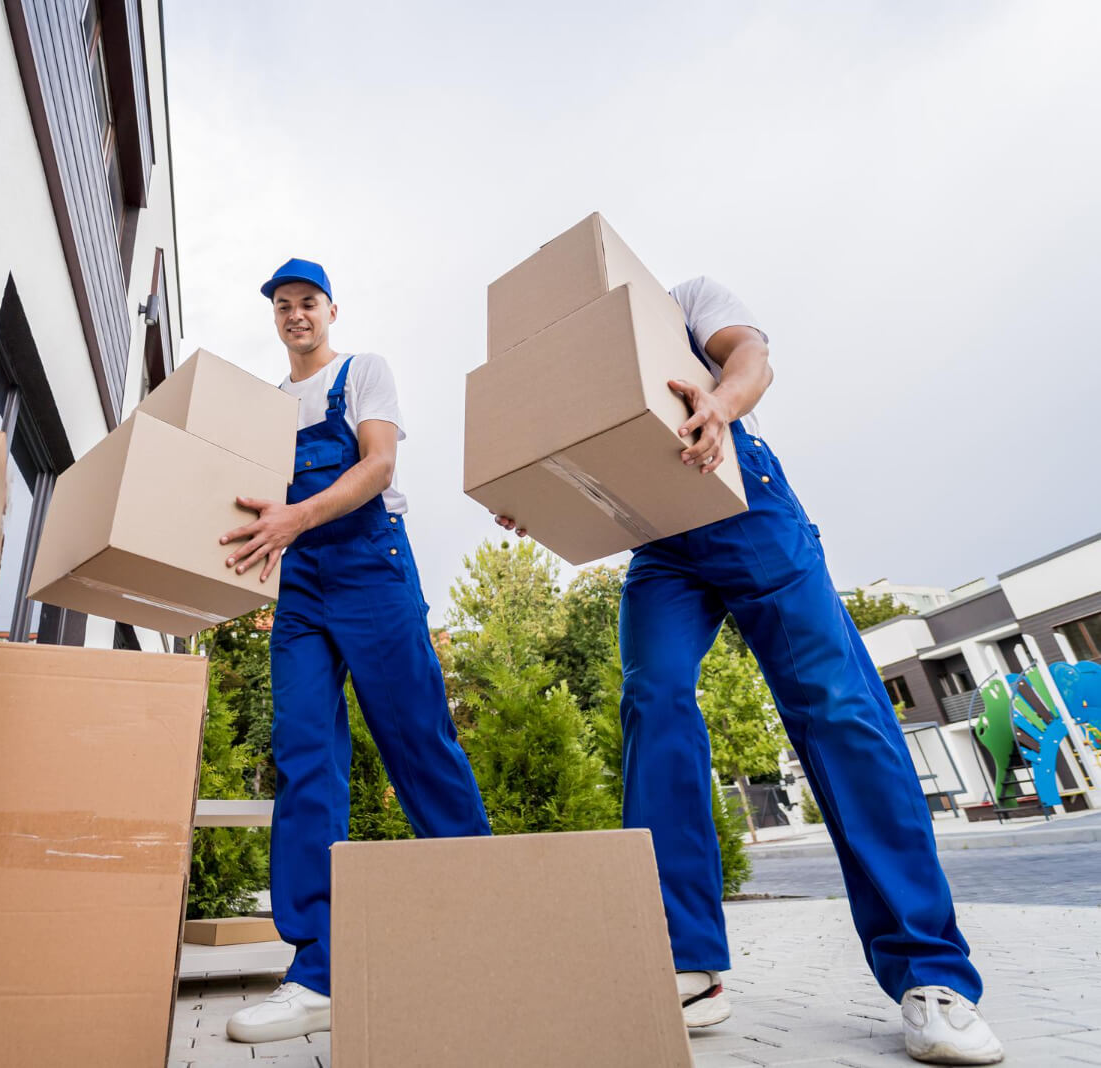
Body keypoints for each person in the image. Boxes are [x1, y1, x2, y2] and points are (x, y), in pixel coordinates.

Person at [496, 276, 1003, 1066]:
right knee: (652, 697)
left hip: (741, 497)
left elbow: (752, 357)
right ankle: (687, 963)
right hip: (662, 541)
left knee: (837, 711)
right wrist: (543, 495)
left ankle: (932, 977)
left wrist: (721, 406)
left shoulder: (684, 298)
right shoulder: (568, 366)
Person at [222, 258, 491, 1043]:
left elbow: (378, 465)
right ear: (273, 317)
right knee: (305, 752)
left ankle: (484, 925)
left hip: (372, 569)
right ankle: (318, 973)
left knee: (418, 745)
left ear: (330, 310)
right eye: (283, 305)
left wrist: (295, 520)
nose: (296, 315)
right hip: (301, 587)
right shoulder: (266, 405)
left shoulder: (361, 373)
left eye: (308, 302)